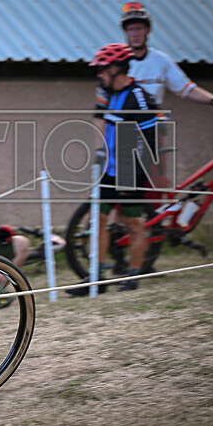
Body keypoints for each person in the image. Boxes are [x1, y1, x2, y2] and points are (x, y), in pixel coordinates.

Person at [67, 44, 163, 296]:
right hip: (108, 168)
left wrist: (136, 173)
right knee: (97, 220)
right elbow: (101, 118)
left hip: (130, 169)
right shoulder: (108, 92)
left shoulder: (139, 98)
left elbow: (152, 140)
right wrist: (98, 152)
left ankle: (132, 276)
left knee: (134, 224)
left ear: (115, 68)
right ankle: (97, 278)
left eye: (101, 69)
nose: (98, 74)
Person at [114, 2, 213, 120]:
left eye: (139, 28)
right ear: (125, 32)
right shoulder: (116, 60)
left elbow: (188, 90)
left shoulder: (161, 60)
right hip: (124, 123)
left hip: (152, 122)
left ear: (148, 30)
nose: (135, 34)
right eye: (131, 29)